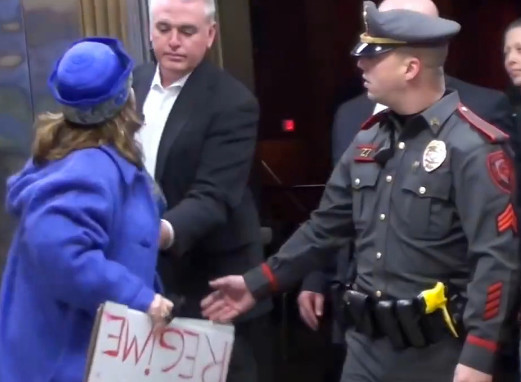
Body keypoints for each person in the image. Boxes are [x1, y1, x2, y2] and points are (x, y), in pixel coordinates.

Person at [201, 2, 521, 381]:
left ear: (410, 68)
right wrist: (258, 283)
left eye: (375, 56)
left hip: (437, 356)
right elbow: (325, 227)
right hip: (365, 350)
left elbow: (497, 260)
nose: (361, 65)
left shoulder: (472, 146)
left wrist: (479, 357)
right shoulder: (368, 138)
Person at [0, 37, 174, 382]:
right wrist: (140, 297)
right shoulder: (88, 170)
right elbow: (63, 255)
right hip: (68, 361)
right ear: (125, 100)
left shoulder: (75, 159)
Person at [133, 0, 271, 380]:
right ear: (149, 31)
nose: (174, 41)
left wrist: (154, 232)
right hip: (147, 278)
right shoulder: (132, 84)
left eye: (187, 31)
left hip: (211, 281)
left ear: (210, 35)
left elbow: (213, 196)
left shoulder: (234, 102)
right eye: (163, 29)